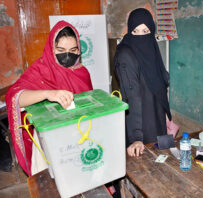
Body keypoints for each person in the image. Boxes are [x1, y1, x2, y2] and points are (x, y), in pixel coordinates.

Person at [5, 21, 93, 176]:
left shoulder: (82, 72)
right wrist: (47, 94)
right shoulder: (41, 70)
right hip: (50, 143)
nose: (67, 55)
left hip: (79, 137)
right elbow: (14, 97)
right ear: (51, 49)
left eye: (73, 50)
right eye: (61, 50)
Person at [114, 8, 177, 157]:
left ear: (152, 32)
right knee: (145, 163)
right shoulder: (125, 56)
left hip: (157, 118)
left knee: (163, 164)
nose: (141, 36)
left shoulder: (152, 49)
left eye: (145, 31)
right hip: (140, 124)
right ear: (130, 32)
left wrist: (166, 114)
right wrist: (136, 137)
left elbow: (160, 86)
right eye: (136, 32)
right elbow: (131, 97)